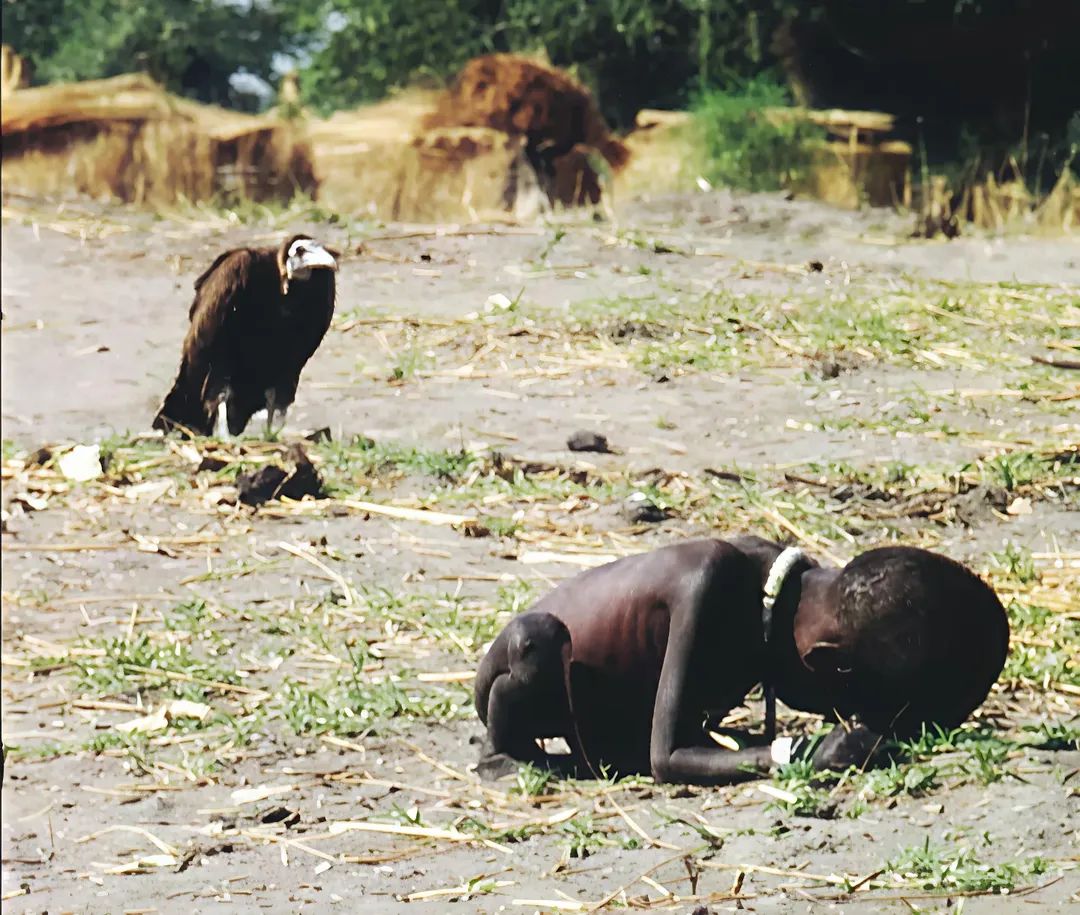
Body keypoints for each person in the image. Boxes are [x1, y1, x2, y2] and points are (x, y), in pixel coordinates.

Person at [473, 536, 1009, 784]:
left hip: (616, 714)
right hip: (538, 675)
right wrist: (792, 756)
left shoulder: (782, 594)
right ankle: (504, 753)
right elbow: (668, 757)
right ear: (823, 665)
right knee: (535, 646)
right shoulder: (712, 584)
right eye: (842, 704)